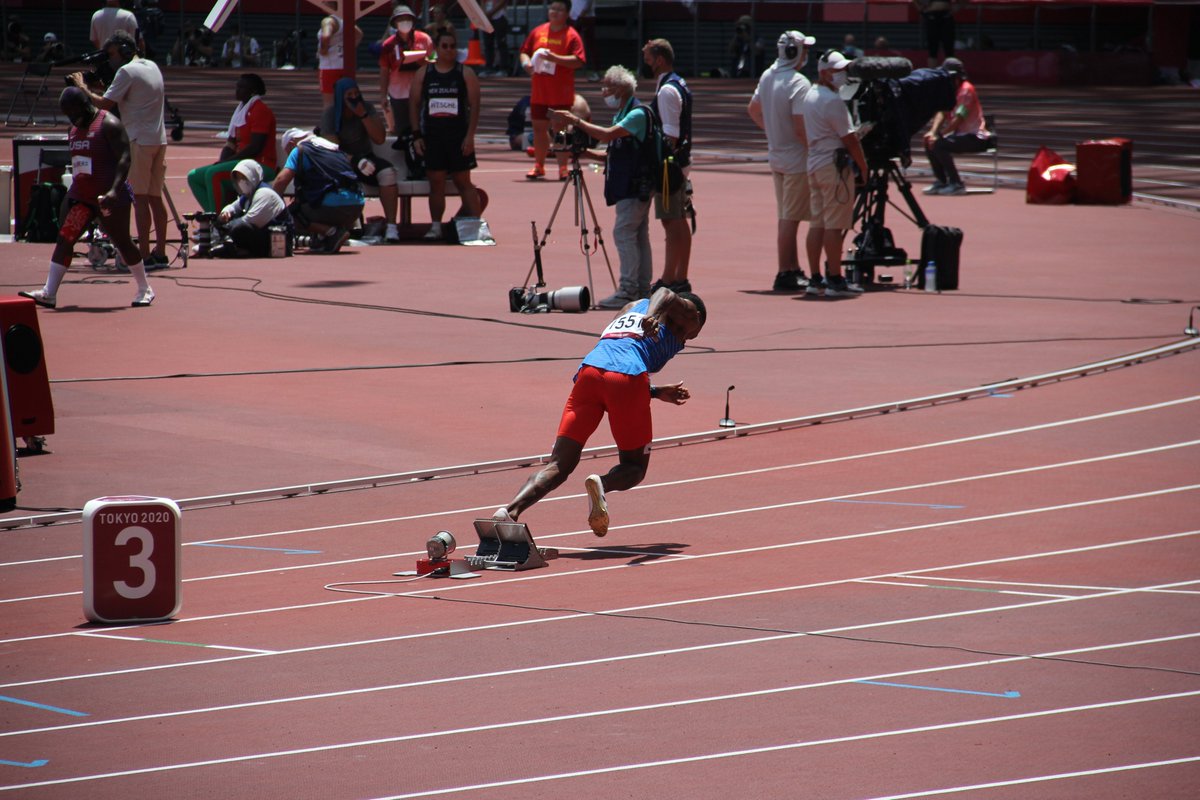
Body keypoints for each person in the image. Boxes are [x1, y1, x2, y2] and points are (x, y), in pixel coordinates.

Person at [493, 286, 706, 536]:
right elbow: (665, 292)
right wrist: (654, 316)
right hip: (628, 377)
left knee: (559, 464)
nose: (683, 339)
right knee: (635, 468)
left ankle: (509, 512)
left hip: (591, 372)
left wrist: (656, 392)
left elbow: (614, 362)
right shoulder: (687, 312)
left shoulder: (628, 309)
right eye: (685, 333)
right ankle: (601, 484)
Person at [19, 88, 154, 309]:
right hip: (82, 196)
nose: (71, 117)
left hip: (110, 197)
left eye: (73, 111)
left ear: (85, 105)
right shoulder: (73, 129)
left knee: (122, 242)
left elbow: (124, 159)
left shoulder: (108, 124)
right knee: (65, 238)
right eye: (67, 113)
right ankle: (49, 293)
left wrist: (113, 191)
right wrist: (71, 194)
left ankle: (144, 288)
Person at [552, 65, 651, 309]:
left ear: (620, 88)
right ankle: (640, 289)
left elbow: (608, 135)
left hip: (635, 185)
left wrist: (576, 120)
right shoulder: (624, 113)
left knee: (624, 233)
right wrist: (585, 152)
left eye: (607, 85)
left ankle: (629, 290)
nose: (604, 90)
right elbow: (612, 152)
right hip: (630, 185)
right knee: (637, 235)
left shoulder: (636, 114)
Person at [70, 30, 170, 270]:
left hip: (138, 140)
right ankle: (161, 252)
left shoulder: (126, 71)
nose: (110, 59)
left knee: (141, 199)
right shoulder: (152, 66)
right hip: (158, 139)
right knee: (155, 198)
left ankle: (144, 254)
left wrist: (82, 88)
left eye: (112, 54)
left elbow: (104, 104)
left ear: (125, 51)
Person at [747, 30, 816, 293]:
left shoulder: (768, 75)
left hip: (777, 155)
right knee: (791, 218)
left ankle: (792, 267)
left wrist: (773, 131)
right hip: (796, 159)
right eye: (804, 49)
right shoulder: (799, 83)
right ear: (795, 52)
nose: (806, 55)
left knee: (786, 216)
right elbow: (801, 127)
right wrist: (816, 151)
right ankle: (785, 272)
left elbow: (753, 110)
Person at [802, 50, 868, 298]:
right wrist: (863, 167)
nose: (841, 75)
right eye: (836, 71)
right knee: (834, 224)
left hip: (815, 164)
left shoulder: (810, 95)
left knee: (817, 222)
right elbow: (850, 139)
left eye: (842, 70)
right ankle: (835, 279)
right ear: (824, 72)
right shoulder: (832, 101)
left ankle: (815, 277)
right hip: (833, 167)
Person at [410, 28, 483, 241]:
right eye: (445, 46)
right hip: (433, 137)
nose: (449, 50)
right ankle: (435, 226)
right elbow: (414, 105)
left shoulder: (465, 73)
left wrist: (470, 136)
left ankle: (477, 227)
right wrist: (416, 136)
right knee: (437, 182)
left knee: (464, 182)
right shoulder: (424, 73)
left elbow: (475, 106)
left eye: (452, 46)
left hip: (458, 137)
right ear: (436, 48)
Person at [322, 77, 401, 243]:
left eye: (356, 93)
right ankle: (351, 225)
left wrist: (363, 115)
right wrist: (355, 160)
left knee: (387, 173)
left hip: (367, 159)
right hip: (342, 162)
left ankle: (392, 227)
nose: (354, 97)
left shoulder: (368, 108)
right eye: (349, 94)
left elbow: (379, 138)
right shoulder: (330, 115)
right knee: (343, 181)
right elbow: (331, 148)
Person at [643, 39, 694, 294]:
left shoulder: (667, 91)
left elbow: (671, 135)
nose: (645, 62)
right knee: (679, 221)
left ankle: (669, 278)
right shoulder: (676, 84)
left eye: (648, 58)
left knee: (671, 222)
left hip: (669, 168)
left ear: (659, 59)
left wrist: (660, 159)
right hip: (678, 164)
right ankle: (679, 276)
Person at [187, 73, 277, 213]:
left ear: (252, 91)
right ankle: (216, 217)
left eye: (241, 87)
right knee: (194, 176)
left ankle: (216, 222)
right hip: (242, 163)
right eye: (237, 86)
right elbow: (230, 144)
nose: (237, 90)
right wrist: (223, 161)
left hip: (261, 164)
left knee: (214, 173)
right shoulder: (240, 111)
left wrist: (227, 162)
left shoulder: (260, 110)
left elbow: (255, 147)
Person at [518, 0, 585, 181]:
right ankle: (539, 166)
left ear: (567, 14)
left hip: (560, 92)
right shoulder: (538, 31)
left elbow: (579, 60)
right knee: (539, 129)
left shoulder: (571, 35)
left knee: (560, 130)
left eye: (560, 9)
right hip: (540, 92)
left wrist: (556, 58)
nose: (555, 12)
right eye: (553, 8)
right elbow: (524, 51)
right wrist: (526, 63)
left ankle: (563, 168)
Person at [273, 128, 364, 254]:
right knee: (312, 199)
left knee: (290, 214)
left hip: (332, 207)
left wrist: (274, 206)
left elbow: (280, 180)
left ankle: (332, 232)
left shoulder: (300, 150)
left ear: (291, 143)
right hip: (356, 208)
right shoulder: (334, 149)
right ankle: (326, 236)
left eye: (287, 151)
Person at [922, 57, 989, 196]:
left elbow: (959, 119)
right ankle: (942, 181)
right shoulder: (950, 90)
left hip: (976, 137)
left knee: (939, 144)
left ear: (956, 77)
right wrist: (932, 132)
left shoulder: (966, 91)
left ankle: (956, 183)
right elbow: (942, 112)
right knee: (929, 141)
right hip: (960, 136)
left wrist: (939, 135)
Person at [215, 160, 288, 257]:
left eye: (244, 178)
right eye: (238, 178)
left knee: (240, 227)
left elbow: (249, 220)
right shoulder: (248, 195)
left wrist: (223, 228)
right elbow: (233, 206)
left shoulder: (264, 194)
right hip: (264, 237)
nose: (241, 182)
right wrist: (225, 213)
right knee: (226, 222)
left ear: (253, 177)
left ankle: (227, 244)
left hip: (278, 242)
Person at [378, 5, 432, 136]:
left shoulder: (424, 39)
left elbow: (434, 60)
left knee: (423, 128)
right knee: (402, 131)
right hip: (398, 93)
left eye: (407, 18)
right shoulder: (388, 45)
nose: (404, 22)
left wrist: (422, 61)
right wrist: (383, 95)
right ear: (395, 23)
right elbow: (384, 71)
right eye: (401, 19)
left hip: (421, 91)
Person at [507, 92, 590, 152]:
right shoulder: (527, 103)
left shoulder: (577, 102)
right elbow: (516, 138)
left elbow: (575, 129)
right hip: (535, 134)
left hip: (561, 135)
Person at [318, 13, 364, 109]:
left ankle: (329, 123)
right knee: (347, 101)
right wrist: (347, 50)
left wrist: (322, 50)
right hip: (343, 65)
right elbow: (359, 34)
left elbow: (326, 36)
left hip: (329, 68)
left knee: (329, 104)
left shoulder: (328, 21)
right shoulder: (343, 20)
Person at [913, 0, 960, 66]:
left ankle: (950, 74)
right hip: (931, 15)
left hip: (946, 16)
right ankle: (932, 74)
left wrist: (957, 7)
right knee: (932, 50)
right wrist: (920, 9)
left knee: (949, 48)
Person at [481, 0, 509, 75]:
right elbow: (482, 2)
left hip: (499, 16)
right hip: (487, 19)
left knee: (501, 43)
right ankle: (489, 67)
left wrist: (491, 12)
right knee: (488, 44)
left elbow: (503, 2)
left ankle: (503, 68)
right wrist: (484, 13)